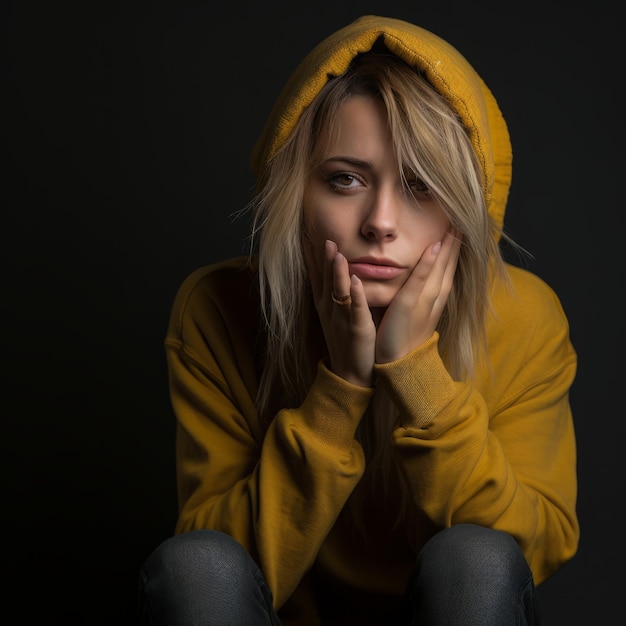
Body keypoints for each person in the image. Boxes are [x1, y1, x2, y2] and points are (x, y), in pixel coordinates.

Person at [138, 14, 579, 625]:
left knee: (475, 556)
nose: (380, 222)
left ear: (467, 208)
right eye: (344, 180)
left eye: (422, 185)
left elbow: (530, 551)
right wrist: (339, 390)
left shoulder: (524, 315)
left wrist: (417, 372)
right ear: (296, 193)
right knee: (196, 564)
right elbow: (211, 576)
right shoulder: (217, 309)